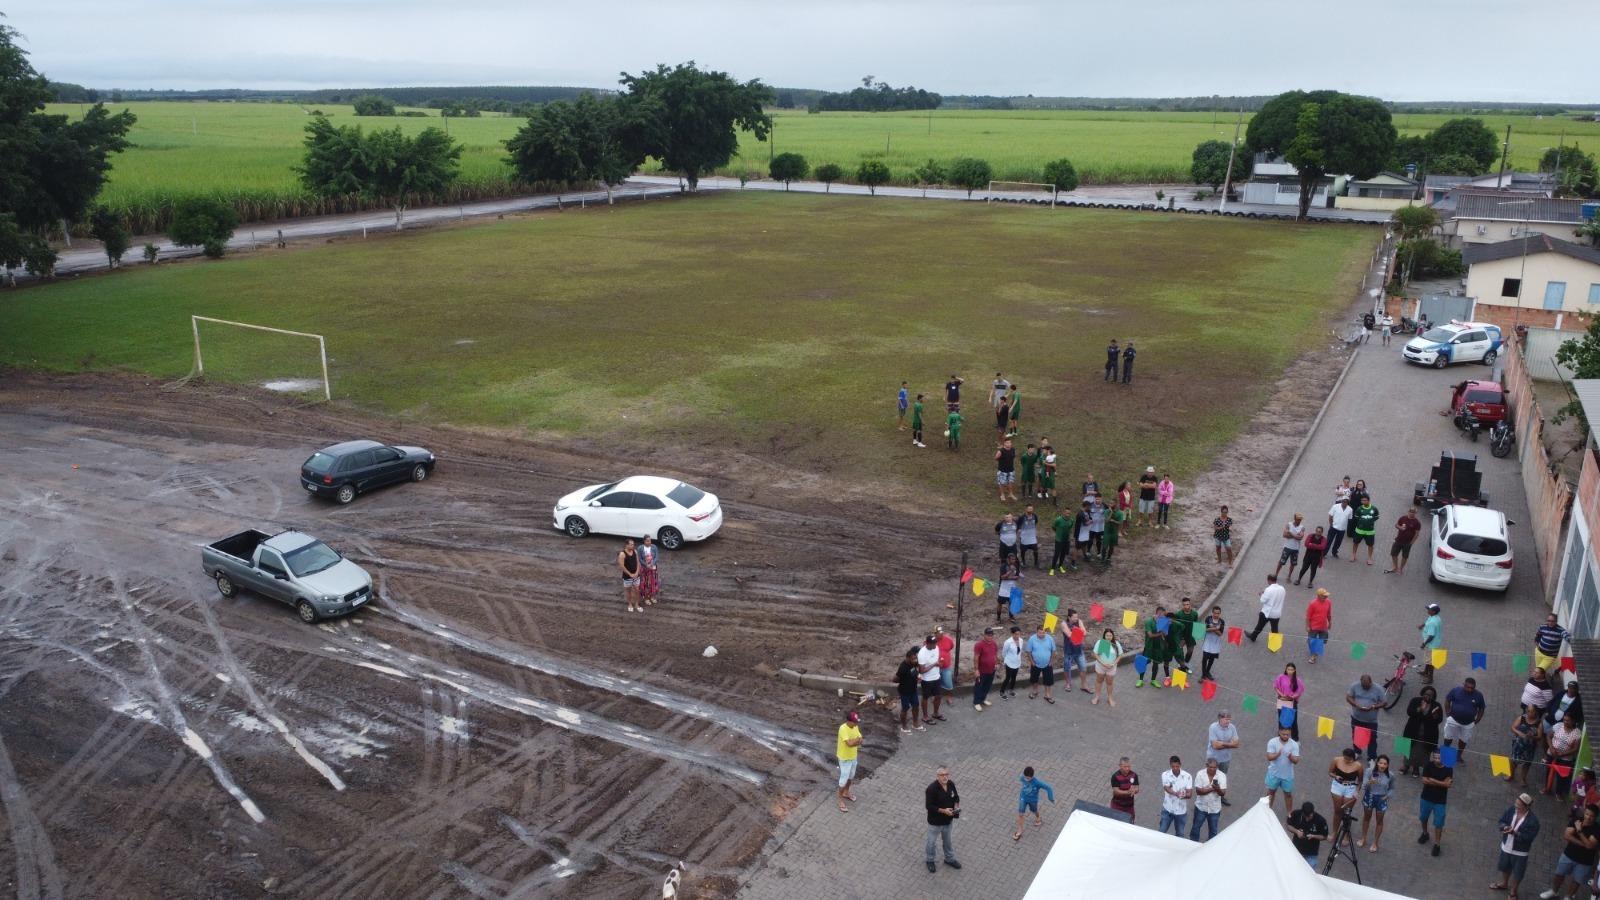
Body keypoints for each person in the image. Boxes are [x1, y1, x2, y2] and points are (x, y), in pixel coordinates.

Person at [1543, 804, 1600, 900]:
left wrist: (1579, 831)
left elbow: (1590, 845)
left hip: (1585, 861)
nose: (1588, 817)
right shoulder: (1576, 820)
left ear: (1596, 817)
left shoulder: (1597, 829)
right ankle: (1554, 891)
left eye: (1591, 816)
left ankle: (1568, 897)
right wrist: (1584, 844)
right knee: (1559, 874)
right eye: (1587, 814)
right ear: (1584, 812)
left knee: (1577, 880)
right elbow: (1567, 835)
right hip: (1569, 854)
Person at [1492, 792, 1541, 895]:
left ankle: (1514, 890)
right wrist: (1504, 827)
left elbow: (1529, 838)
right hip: (1506, 846)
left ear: (1526, 807)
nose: (1516, 806)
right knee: (1505, 866)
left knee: (1518, 872)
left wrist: (1515, 833)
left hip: (1520, 851)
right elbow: (1502, 821)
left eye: (1519, 805)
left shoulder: (1533, 821)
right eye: (1516, 803)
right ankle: (1504, 883)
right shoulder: (1511, 810)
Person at [924, 767, 962, 873]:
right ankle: (930, 860)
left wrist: (956, 807)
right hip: (935, 823)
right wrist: (944, 811)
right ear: (937, 776)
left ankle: (949, 859)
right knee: (931, 843)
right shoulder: (931, 789)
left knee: (948, 841)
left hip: (948, 821)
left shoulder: (951, 784)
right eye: (942, 775)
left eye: (947, 774)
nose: (945, 777)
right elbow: (929, 806)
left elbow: (956, 797)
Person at [1418, 747, 1454, 857]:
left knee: (1439, 823)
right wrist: (1441, 783)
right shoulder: (1428, 765)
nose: (1437, 760)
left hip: (1440, 801)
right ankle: (1425, 833)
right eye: (1435, 757)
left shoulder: (1448, 768)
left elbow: (1448, 784)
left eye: (1439, 758)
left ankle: (1437, 844)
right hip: (1426, 798)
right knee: (1423, 818)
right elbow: (1424, 780)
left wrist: (1433, 780)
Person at [1402, 686, 1444, 777]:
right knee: (1408, 749)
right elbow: (1409, 712)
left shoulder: (1437, 705)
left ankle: (1416, 768)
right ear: (1422, 693)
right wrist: (1420, 709)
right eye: (1426, 694)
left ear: (1433, 696)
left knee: (1421, 752)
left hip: (1427, 734)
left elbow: (1439, 720)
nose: (1428, 696)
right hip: (1412, 730)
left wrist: (1435, 715)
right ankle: (1406, 765)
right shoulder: (1415, 700)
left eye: (1430, 695)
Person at [1443, 677, 1486, 759]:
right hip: (1453, 719)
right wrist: (1448, 713)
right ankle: (1445, 752)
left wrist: (1477, 720)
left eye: (1472, 688)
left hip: (1468, 723)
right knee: (1448, 736)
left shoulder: (1479, 695)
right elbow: (1447, 700)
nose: (1470, 689)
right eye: (1468, 687)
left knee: (1464, 740)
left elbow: (1482, 708)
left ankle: (1458, 755)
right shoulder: (1456, 690)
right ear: (1464, 685)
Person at [1359, 755, 1394, 852]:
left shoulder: (1390, 775)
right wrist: (1370, 782)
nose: (1382, 765)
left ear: (1388, 765)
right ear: (1377, 763)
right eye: (1380, 763)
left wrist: (1387, 796)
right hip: (1370, 796)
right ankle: (1363, 838)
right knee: (1366, 818)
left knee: (1379, 821)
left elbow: (1392, 788)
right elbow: (1363, 786)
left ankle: (1375, 843)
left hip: (1381, 799)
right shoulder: (1369, 771)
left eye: (1385, 764)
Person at [1348, 674, 1387, 761]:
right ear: (1360, 682)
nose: (1365, 688)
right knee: (1356, 735)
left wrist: (1373, 707)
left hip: (1371, 721)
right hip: (1356, 718)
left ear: (1371, 682)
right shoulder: (1355, 686)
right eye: (1363, 686)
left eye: (1367, 686)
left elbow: (1384, 703)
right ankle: (1357, 752)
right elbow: (1348, 697)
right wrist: (1356, 704)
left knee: (1372, 739)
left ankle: (1372, 757)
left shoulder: (1378, 689)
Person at [1207, 710, 1240, 806]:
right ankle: (1209, 797)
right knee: (1211, 777)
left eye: (1229, 719)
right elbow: (1215, 746)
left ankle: (1220, 797)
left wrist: (1222, 743)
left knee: (1222, 778)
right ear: (1220, 719)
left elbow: (1237, 744)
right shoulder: (1213, 727)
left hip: (1226, 758)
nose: (1228, 721)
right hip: (1213, 758)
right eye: (1226, 719)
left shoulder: (1232, 727)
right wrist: (1230, 744)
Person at [1547, 713, 1583, 800]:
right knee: (1548, 771)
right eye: (1564, 720)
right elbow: (1548, 736)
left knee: (1562, 776)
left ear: (1573, 721)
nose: (1565, 722)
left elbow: (1575, 748)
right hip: (1552, 753)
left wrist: (1563, 754)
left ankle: (1558, 792)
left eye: (1568, 720)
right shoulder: (1558, 725)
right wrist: (1551, 748)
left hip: (1565, 758)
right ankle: (1547, 787)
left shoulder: (1577, 733)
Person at [1013, 766, 1055, 840]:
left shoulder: (1037, 782)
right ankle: (1019, 830)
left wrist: (1050, 798)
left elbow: (1048, 787)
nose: (1026, 779)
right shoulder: (1022, 777)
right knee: (1020, 814)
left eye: (1028, 778)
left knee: (1034, 810)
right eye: (1025, 777)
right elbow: (1021, 779)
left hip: (1033, 800)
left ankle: (1038, 817)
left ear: (1032, 776)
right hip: (1023, 799)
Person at [1266, 725, 1301, 814]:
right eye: (1283, 734)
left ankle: (1289, 814)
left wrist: (1290, 757)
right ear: (1279, 732)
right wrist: (1277, 754)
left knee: (1288, 794)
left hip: (1287, 775)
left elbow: (1296, 761)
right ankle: (1266, 812)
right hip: (1274, 774)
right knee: (1270, 793)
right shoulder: (1272, 742)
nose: (1285, 736)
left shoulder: (1294, 744)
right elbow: (1269, 757)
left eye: (1287, 735)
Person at [1191, 757, 1227, 841]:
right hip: (1201, 807)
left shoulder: (1222, 775)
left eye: (1214, 767)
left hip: (1214, 809)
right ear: (1206, 765)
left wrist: (1217, 789)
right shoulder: (1200, 774)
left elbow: (1223, 793)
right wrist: (1213, 789)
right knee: (1195, 829)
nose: (1212, 769)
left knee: (1213, 832)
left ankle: (1210, 847)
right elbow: (1199, 791)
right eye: (1210, 767)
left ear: (1217, 767)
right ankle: (1193, 844)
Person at [1510, 705, 1547, 787]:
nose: (1529, 713)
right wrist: (1519, 733)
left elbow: (1540, 737)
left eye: (1531, 711)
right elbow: (1513, 727)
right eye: (1528, 711)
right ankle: (1511, 774)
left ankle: (1523, 778)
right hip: (1518, 744)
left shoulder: (1539, 723)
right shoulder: (1522, 718)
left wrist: (1532, 737)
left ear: (1535, 712)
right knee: (1513, 760)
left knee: (1527, 763)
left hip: (1529, 747)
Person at [1287, 801, 1329, 868]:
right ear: (1302, 812)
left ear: (1312, 813)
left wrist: (1314, 836)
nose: (1307, 819)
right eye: (1305, 816)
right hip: (1295, 849)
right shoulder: (1296, 814)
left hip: (1311, 854)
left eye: (1309, 816)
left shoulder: (1321, 820)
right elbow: (1289, 826)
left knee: (1309, 872)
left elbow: (1324, 836)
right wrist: (1297, 831)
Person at [1138, 606, 1172, 689]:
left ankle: (1153, 680)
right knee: (1144, 662)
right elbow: (1150, 635)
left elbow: (1166, 634)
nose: (1164, 617)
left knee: (1156, 663)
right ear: (1158, 613)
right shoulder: (1149, 621)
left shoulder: (1163, 622)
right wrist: (1160, 631)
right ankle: (1140, 680)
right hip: (1149, 646)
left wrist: (1166, 626)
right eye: (1163, 615)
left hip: (1158, 646)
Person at [1159, 756, 1193, 836]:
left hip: (1181, 811)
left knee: (1180, 834)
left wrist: (1183, 795)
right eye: (1173, 766)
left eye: (1177, 766)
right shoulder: (1165, 774)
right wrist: (1176, 793)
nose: (1175, 768)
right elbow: (1166, 788)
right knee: (1161, 832)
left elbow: (1189, 794)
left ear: (1180, 765)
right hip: (1168, 809)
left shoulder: (1187, 776)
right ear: (1170, 765)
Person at [1247, 573, 1286, 642]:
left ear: (1269, 580)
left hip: (1267, 612)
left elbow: (1262, 600)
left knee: (1260, 626)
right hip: (1277, 613)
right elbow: (1275, 595)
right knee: (1274, 629)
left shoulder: (1268, 589)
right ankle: (1275, 644)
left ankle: (1253, 637)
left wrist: (1261, 594)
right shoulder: (1282, 589)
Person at [837, 711, 862, 812]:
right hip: (844, 758)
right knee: (843, 779)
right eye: (855, 722)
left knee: (851, 776)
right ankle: (840, 799)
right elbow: (849, 744)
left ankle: (846, 792)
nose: (856, 724)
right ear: (849, 721)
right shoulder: (843, 728)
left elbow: (860, 739)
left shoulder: (855, 727)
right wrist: (856, 741)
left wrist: (855, 741)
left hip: (853, 756)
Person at [1329, 747, 1364, 819]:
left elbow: (1360, 780)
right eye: (1345, 758)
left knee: (1346, 811)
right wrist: (1336, 776)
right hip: (1337, 786)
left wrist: (1357, 791)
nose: (1346, 761)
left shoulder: (1358, 766)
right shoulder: (1336, 760)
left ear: (1353, 758)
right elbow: (1330, 772)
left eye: (1349, 759)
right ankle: (1336, 826)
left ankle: (1346, 824)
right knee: (1337, 811)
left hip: (1350, 788)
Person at [894, 647, 923, 733]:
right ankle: (904, 726)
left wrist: (918, 677)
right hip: (905, 691)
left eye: (915, 658)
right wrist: (904, 680)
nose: (915, 660)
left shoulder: (914, 663)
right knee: (905, 708)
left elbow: (916, 669)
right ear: (907, 658)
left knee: (916, 706)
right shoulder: (903, 668)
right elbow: (894, 679)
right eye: (913, 659)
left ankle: (915, 723)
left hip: (913, 690)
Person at [1386, 507, 1422, 575]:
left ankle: (1400, 569)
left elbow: (1417, 534)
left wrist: (1411, 543)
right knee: (1393, 554)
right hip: (1398, 540)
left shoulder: (1417, 523)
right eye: (1411, 512)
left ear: (1415, 513)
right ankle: (1395, 567)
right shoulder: (1403, 518)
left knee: (1405, 556)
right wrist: (1400, 527)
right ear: (1408, 512)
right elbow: (1396, 525)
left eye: (1413, 512)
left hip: (1407, 543)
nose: (1412, 513)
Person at [917, 635, 943, 725]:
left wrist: (939, 664)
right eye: (933, 643)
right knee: (925, 697)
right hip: (927, 680)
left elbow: (937, 659)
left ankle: (935, 713)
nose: (935, 645)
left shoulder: (936, 648)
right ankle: (925, 716)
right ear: (927, 643)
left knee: (938, 696)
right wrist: (934, 665)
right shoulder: (922, 653)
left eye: (935, 643)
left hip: (937, 677)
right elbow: (921, 670)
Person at [1026, 624, 1057, 703]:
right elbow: (1028, 651)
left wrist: (1051, 661)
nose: (1042, 634)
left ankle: (1047, 695)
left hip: (1047, 664)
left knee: (1048, 680)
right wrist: (1032, 662)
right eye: (1040, 633)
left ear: (1045, 632)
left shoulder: (1050, 638)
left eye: (1043, 633)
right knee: (1034, 679)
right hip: (1035, 664)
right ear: (1037, 632)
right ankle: (1035, 691)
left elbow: (1053, 650)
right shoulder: (1032, 639)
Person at [1275, 663, 1305, 741]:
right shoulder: (1281, 677)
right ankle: (1281, 736)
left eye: (1292, 669)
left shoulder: (1297, 680)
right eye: (1288, 669)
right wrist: (1281, 694)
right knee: (1281, 719)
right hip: (1282, 701)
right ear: (1286, 669)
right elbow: (1276, 687)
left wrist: (1293, 696)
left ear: (1294, 670)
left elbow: (1300, 691)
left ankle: (1295, 739)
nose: (1290, 671)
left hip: (1292, 702)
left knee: (1293, 721)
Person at [1092, 629, 1121, 707]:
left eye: (1110, 635)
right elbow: (1095, 654)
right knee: (1099, 681)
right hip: (1100, 666)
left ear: (1112, 636)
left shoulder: (1116, 644)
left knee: (1109, 683)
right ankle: (1097, 697)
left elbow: (1120, 655)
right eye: (1107, 635)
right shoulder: (1100, 642)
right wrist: (1103, 663)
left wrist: (1113, 664)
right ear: (1104, 635)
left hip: (1111, 667)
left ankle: (1110, 698)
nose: (1109, 637)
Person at [972, 627, 999, 711]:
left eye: (991, 635)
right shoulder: (979, 645)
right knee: (979, 686)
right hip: (982, 671)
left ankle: (983, 699)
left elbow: (995, 655)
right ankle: (976, 702)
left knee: (987, 686)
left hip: (991, 670)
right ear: (984, 635)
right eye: (988, 635)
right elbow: (976, 658)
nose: (990, 637)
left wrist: (996, 663)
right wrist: (976, 670)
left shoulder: (994, 644)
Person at [1274, 513, 1306, 581]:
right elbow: (1284, 535)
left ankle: (1289, 576)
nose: (1299, 521)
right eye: (1298, 519)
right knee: (1281, 562)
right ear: (1295, 518)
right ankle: (1276, 574)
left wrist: (1290, 533)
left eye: (1300, 519)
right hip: (1287, 547)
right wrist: (1296, 535)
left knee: (1293, 564)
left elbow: (1300, 538)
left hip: (1295, 549)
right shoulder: (1289, 524)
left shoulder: (1302, 527)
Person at [1171, 597, 1199, 673]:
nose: (1186, 606)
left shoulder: (1194, 614)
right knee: (1178, 652)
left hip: (1190, 636)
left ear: (1190, 604)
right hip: (1181, 637)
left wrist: (1198, 633)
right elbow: (1174, 625)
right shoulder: (1178, 614)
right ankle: (1181, 665)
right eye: (1184, 605)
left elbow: (1196, 624)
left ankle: (1185, 664)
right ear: (1182, 605)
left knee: (1190, 651)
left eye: (1187, 604)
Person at [1349, 496, 1380, 566]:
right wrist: (1362, 522)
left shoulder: (1374, 508)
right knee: (1355, 543)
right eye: (1362, 500)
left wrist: (1370, 521)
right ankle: (1353, 555)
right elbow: (1356, 517)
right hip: (1359, 530)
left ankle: (1369, 558)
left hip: (1370, 531)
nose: (1363, 502)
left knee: (1370, 545)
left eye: (1365, 500)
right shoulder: (1359, 509)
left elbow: (1377, 517)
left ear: (1369, 501)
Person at [1306, 588, 1333, 664]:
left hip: (1323, 626)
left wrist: (1330, 622)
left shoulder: (1328, 602)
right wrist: (1307, 626)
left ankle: (1314, 655)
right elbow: (1308, 616)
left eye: (1326, 595)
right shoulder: (1313, 604)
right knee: (1311, 641)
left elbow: (1329, 614)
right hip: (1313, 626)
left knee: (1321, 641)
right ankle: (1313, 654)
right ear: (1319, 596)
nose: (1326, 597)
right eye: (1324, 596)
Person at [1110, 757, 1140, 822]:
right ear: (1120, 766)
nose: (1127, 768)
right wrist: (1128, 792)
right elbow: (1116, 791)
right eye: (1125, 767)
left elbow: (1137, 788)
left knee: (1130, 822)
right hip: (1117, 805)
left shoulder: (1134, 775)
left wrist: (1134, 790)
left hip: (1129, 806)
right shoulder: (1115, 776)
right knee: (1114, 822)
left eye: (1129, 766)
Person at [1201, 605, 1226, 682]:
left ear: (1220, 613)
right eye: (1215, 613)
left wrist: (1212, 628)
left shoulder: (1222, 622)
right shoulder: (1208, 619)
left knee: (1211, 659)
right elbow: (1205, 629)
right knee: (1204, 659)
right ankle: (1203, 675)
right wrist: (1216, 628)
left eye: (1218, 613)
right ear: (1212, 612)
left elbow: (1220, 634)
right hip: (1207, 642)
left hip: (1215, 643)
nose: (1216, 615)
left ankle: (1207, 672)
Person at [1050, 507, 1077, 575]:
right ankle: (1052, 568)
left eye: (1069, 513)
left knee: (1063, 554)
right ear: (1064, 513)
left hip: (1066, 540)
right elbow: (1053, 527)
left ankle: (1060, 566)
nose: (1068, 514)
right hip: (1059, 540)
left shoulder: (1071, 520)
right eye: (1067, 513)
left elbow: (1069, 528)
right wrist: (1058, 533)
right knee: (1056, 554)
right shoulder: (1058, 520)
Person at [995, 555, 1021, 625]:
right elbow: (1002, 577)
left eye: (1014, 559)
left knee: (1011, 602)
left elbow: (1017, 576)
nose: (1014, 561)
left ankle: (1011, 617)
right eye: (1012, 559)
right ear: (1008, 559)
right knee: (1000, 603)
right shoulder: (1003, 566)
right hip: (1004, 588)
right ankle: (998, 617)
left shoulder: (1016, 566)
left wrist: (1009, 577)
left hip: (1012, 587)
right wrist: (1010, 572)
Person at [1000, 626, 1024, 700]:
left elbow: (1020, 651)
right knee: (1008, 678)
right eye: (1016, 634)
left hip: (1017, 662)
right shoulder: (1008, 642)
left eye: (1019, 634)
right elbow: (1004, 653)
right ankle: (1002, 691)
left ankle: (1011, 690)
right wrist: (1006, 661)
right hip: (1009, 663)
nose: (1017, 636)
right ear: (1012, 634)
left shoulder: (1021, 640)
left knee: (1014, 677)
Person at [618, 539, 642, 613]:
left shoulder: (635, 551)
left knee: (637, 590)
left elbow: (638, 562)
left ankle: (637, 604)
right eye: (631, 544)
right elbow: (622, 566)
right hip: (627, 577)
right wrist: (630, 574)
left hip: (636, 575)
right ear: (626, 545)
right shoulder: (622, 554)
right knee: (628, 591)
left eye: (633, 544)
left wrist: (637, 572)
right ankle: (630, 604)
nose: (633, 546)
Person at [638, 535, 661, 606]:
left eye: (650, 540)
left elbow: (656, 557)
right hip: (644, 569)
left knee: (653, 583)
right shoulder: (640, 548)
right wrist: (646, 565)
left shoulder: (654, 547)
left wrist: (652, 564)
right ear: (644, 541)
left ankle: (652, 596)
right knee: (645, 583)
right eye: (647, 541)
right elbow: (640, 558)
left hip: (653, 568)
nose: (649, 542)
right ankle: (646, 598)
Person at [995, 437, 1018, 501]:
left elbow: (1013, 456)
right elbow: (996, 458)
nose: (1009, 444)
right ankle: (1002, 495)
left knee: (1010, 482)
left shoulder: (1013, 449)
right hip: (1002, 470)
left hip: (1011, 470)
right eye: (1007, 443)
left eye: (1010, 443)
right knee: (1001, 483)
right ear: (1004, 443)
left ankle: (1010, 494)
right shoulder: (1001, 451)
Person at [1017, 505, 1040, 570]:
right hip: (1024, 538)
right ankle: (1023, 562)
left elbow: (1035, 523)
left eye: (1031, 509)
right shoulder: (1022, 517)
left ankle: (1036, 563)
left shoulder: (1035, 516)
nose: (1030, 510)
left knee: (1036, 550)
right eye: (1029, 509)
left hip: (1032, 538)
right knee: (1023, 551)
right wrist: (1019, 530)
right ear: (1026, 509)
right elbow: (1018, 525)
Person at [936, 626, 956, 698]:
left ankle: (949, 696)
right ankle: (936, 695)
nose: (941, 634)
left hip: (946, 667)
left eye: (942, 632)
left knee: (949, 684)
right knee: (936, 683)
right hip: (935, 667)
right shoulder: (931, 641)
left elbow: (951, 647)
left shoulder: (948, 639)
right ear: (935, 634)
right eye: (939, 633)